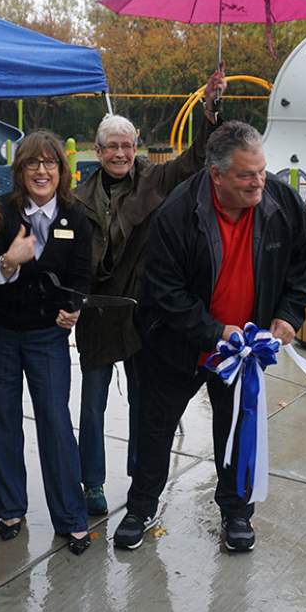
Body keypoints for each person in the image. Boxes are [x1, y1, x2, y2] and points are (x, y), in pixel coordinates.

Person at [113, 121, 306, 553]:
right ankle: (141, 506)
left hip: (244, 354)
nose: (259, 181)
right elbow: (163, 292)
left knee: (238, 430)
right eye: (246, 175)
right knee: (155, 428)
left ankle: (236, 513)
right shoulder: (177, 213)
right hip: (177, 346)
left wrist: (288, 314)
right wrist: (214, 331)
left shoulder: (281, 202)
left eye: (261, 170)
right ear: (217, 174)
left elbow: (302, 264)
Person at [72, 69, 227, 515]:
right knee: (92, 408)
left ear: (135, 145)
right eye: (111, 147)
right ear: (97, 151)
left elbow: (198, 157)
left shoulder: (156, 181)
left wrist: (210, 110)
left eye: (126, 145)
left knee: (145, 406)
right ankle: (93, 484)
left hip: (142, 316)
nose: (120, 153)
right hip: (99, 317)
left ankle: (141, 480)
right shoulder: (79, 197)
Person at [0, 130, 93, 555]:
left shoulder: (75, 217)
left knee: (55, 422)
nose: (42, 171)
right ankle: (9, 508)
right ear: (21, 170)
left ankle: (70, 516)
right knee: (3, 420)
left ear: (61, 170)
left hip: (48, 337)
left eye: (50, 163)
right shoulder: (2, 214)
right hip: (3, 335)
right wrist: (10, 261)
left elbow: (82, 277)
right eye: (33, 163)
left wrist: (74, 308)